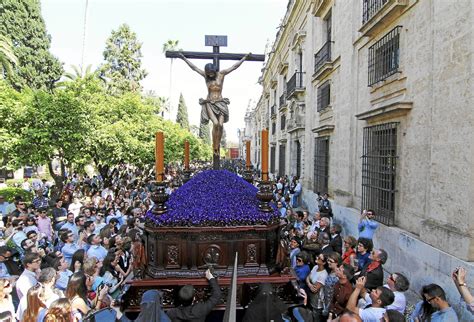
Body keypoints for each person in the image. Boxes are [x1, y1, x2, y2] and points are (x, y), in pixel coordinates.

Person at [178, 52, 251, 162]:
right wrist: (184, 58)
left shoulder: (221, 74)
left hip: (221, 103)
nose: (210, 75)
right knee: (215, 124)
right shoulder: (205, 77)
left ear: (214, 71)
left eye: (211, 73)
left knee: (220, 125)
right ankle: (214, 146)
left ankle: (217, 145)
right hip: (209, 103)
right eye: (208, 73)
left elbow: (234, 67)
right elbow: (194, 68)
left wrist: (244, 58)